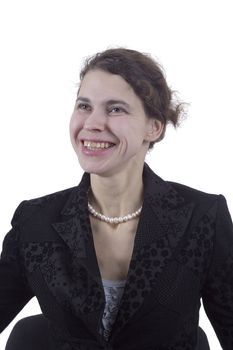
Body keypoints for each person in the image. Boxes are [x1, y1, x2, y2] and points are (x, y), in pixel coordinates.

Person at [0, 48, 232, 350]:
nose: (92, 123)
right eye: (84, 106)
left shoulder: (202, 217)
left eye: (115, 109)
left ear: (154, 127)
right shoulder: (35, 221)